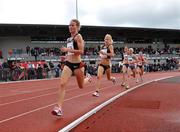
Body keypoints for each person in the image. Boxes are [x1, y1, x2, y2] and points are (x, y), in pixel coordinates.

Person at [51, 19, 92, 116]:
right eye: (69, 25)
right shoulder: (68, 39)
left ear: (77, 27)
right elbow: (70, 52)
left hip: (78, 65)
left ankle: (88, 78)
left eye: (72, 25)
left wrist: (67, 49)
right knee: (62, 84)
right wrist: (65, 56)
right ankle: (59, 108)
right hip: (68, 63)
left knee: (81, 85)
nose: (70, 27)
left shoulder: (79, 36)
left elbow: (81, 51)